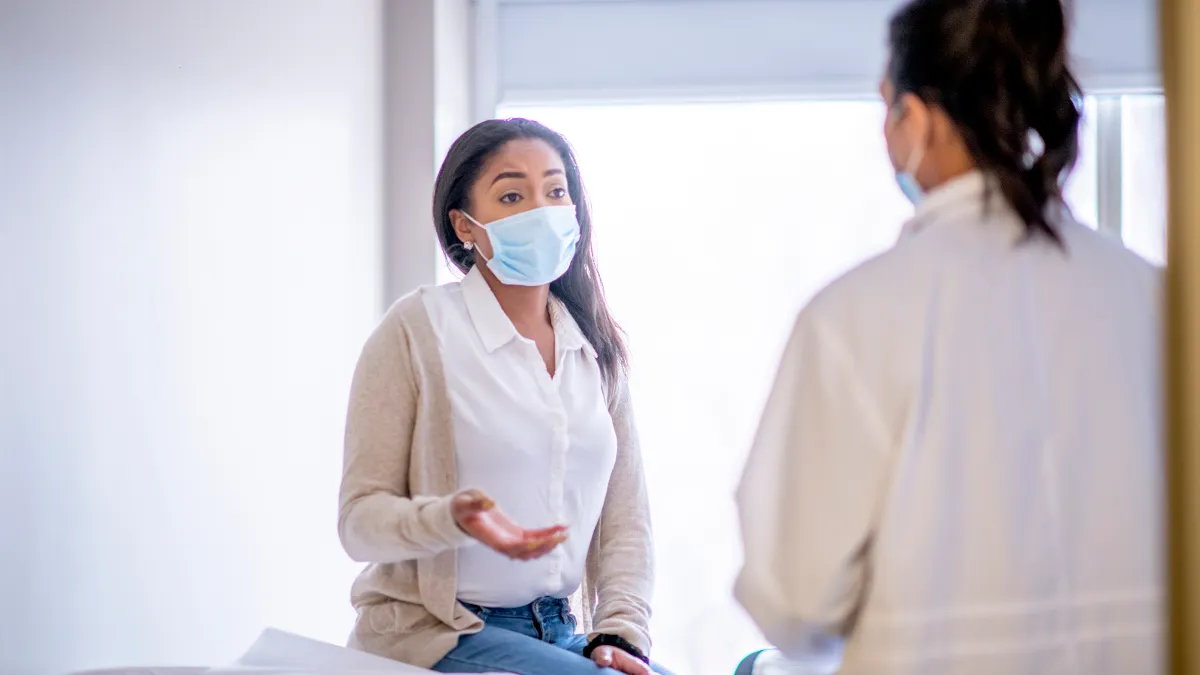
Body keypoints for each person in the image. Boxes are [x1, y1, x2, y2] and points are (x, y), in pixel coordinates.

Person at [734, 1, 1163, 674]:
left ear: (920, 118)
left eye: (887, 107)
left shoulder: (856, 315)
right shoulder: (1156, 299)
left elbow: (796, 605)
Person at [338, 118, 671, 675]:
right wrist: (450, 518)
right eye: (512, 195)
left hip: (562, 631)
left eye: (556, 191)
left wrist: (619, 633)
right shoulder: (419, 330)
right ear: (465, 226)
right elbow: (358, 521)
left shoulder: (593, 348)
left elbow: (625, 521)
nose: (542, 211)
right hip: (441, 632)